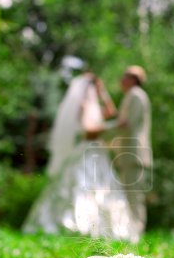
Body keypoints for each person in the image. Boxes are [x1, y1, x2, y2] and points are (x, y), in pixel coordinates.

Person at [23, 72, 141, 243]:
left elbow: (111, 111)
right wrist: (113, 126)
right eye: (96, 88)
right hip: (89, 150)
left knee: (103, 188)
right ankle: (79, 225)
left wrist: (104, 94)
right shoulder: (84, 105)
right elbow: (88, 131)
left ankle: (102, 227)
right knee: (83, 187)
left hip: (98, 151)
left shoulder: (95, 106)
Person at [104, 65, 152, 236]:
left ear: (133, 79)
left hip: (134, 154)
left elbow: (126, 125)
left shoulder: (136, 95)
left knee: (134, 195)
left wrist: (100, 131)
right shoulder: (131, 96)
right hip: (128, 155)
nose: (121, 80)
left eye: (124, 76)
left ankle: (137, 232)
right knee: (129, 193)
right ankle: (131, 231)